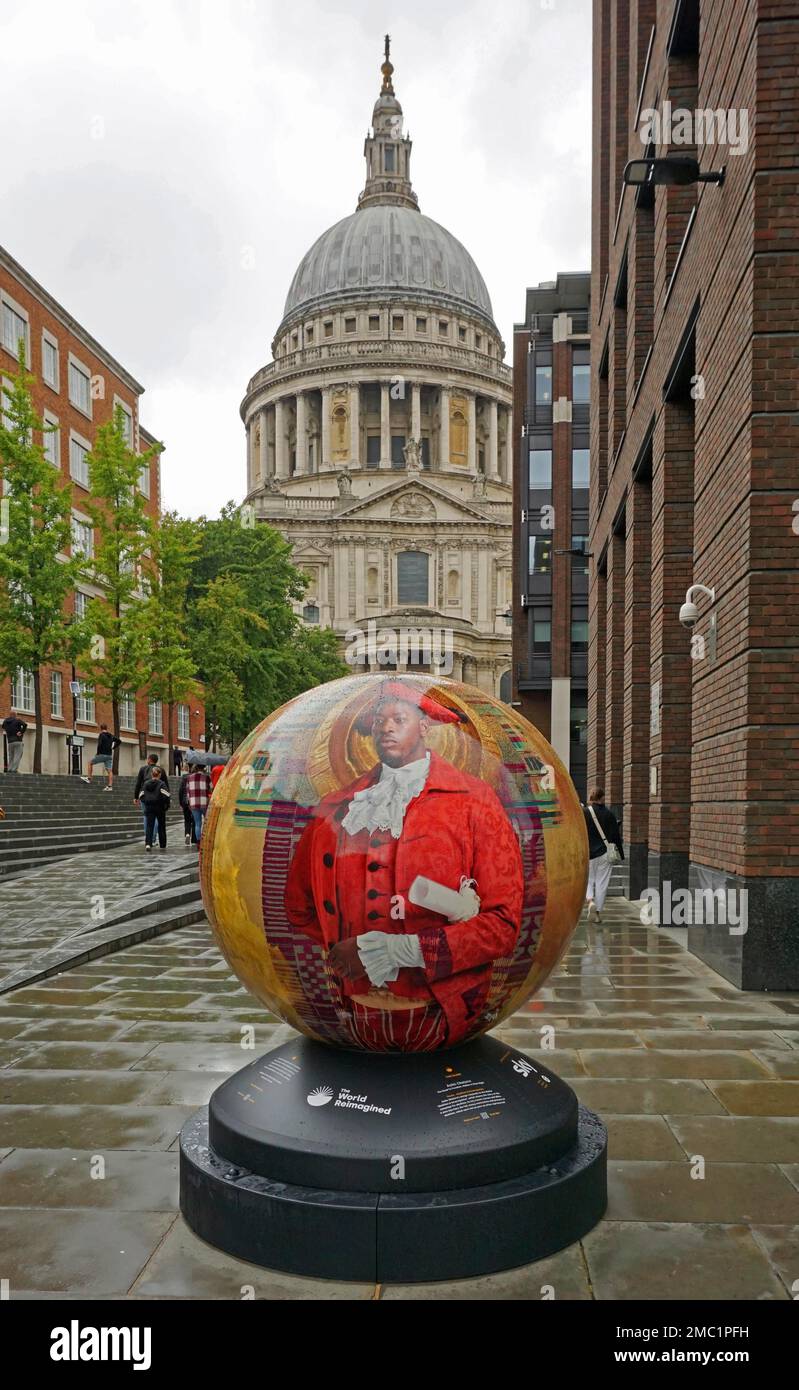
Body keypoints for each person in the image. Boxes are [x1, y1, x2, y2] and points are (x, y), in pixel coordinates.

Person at [284, 679, 523, 1051]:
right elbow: (299, 907)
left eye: (398, 718)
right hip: (353, 1011)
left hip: (441, 1011)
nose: (386, 728)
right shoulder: (336, 806)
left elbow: (502, 927)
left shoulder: (475, 801)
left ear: (425, 726)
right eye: (379, 721)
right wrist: (342, 949)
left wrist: (398, 951)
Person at [582, 786, 624, 924]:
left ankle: (590, 901)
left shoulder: (584, 813)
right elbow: (616, 836)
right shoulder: (609, 814)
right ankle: (598, 913)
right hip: (605, 853)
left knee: (588, 880)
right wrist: (621, 854)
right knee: (602, 883)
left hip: (588, 853)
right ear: (602, 798)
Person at [133, 755, 169, 832]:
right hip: (158, 797)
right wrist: (167, 798)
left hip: (145, 796)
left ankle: (148, 837)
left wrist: (136, 797)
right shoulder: (161, 770)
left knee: (146, 816)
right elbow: (166, 785)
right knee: (156, 817)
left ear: (149, 760)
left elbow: (138, 784)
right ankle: (153, 838)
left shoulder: (143, 769)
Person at [82, 724, 121, 790]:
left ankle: (89, 778)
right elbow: (119, 741)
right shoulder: (111, 735)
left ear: (101, 728)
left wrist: (98, 753)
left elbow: (99, 744)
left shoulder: (101, 735)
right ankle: (110, 786)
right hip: (109, 755)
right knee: (109, 771)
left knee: (90, 763)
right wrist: (113, 747)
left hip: (102, 754)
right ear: (106, 728)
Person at [140, 764, 170, 851]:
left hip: (149, 807)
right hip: (159, 807)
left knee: (149, 826)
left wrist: (146, 801)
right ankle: (162, 844)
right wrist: (166, 805)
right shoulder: (161, 784)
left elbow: (141, 795)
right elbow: (166, 795)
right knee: (161, 826)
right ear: (159, 775)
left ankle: (148, 843)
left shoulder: (146, 783)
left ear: (152, 774)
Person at [185, 762, 212, 845]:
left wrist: (188, 802)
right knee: (207, 822)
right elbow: (211, 788)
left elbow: (187, 791)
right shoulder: (207, 777)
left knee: (197, 823)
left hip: (193, 803)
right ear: (204, 768)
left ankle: (198, 842)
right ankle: (207, 840)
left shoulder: (189, 777)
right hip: (204, 802)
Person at [2, 710, 27, 774]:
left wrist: (8, 730)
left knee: (11, 756)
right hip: (18, 741)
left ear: (10, 715)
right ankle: (14, 770)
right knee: (17, 756)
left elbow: (3, 726)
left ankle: (10, 769)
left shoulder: (5, 721)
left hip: (10, 742)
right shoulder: (17, 720)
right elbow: (25, 725)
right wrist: (21, 732)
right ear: (15, 715)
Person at [178, 770, 196, 847]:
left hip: (185, 801)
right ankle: (194, 839)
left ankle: (187, 834)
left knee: (187, 820)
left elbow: (181, 791)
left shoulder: (184, 777)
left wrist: (181, 803)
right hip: (194, 800)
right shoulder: (196, 777)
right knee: (194, 820)